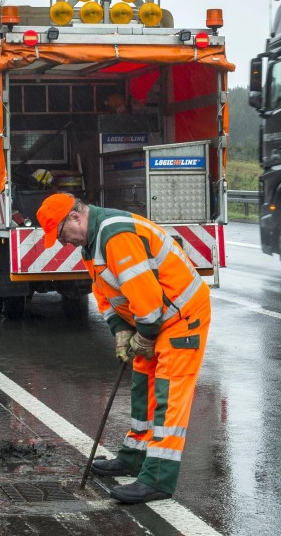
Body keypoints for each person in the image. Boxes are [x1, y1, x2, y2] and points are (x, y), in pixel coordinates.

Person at [36, 192, 211, 504]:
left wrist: (142, 335)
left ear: (76, 216)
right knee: (142, 385)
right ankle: (134, 456)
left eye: (62, 234)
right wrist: (120, 332)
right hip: (155, 318)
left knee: (168, 396)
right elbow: (106, 295)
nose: (64, 243)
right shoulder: (91, 245)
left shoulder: (115, 236)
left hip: (181, 317)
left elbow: (147, 299)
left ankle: (158, 479)